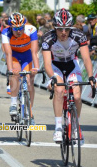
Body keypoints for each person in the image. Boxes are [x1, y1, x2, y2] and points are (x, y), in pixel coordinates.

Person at [41, 8, 97, 144]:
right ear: (55, 27)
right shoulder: (48, 38)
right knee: (59, 90)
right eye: (60, 29)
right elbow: (47, 63)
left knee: (77, 95)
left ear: (71, 27)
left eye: (67, 29)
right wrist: (52, 77)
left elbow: (86, 58)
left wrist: (91, 77)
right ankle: (58, 127)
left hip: (72, 64)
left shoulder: (79, 35)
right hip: (55, 66)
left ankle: (76, 126)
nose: (64, 32)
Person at [1, 12, 39, 124]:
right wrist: (10, 70)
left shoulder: (31, 30)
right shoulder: (5, 32)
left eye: (21, 28)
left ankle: (29, 112)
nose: (18, 31)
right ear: (11, 27)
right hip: (14, 55)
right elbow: (8, 53)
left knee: (29, 80)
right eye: (16, 28)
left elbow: (34, 51)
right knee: (15, 74)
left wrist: (36, 68)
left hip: (27, 54)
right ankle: (13, 103)